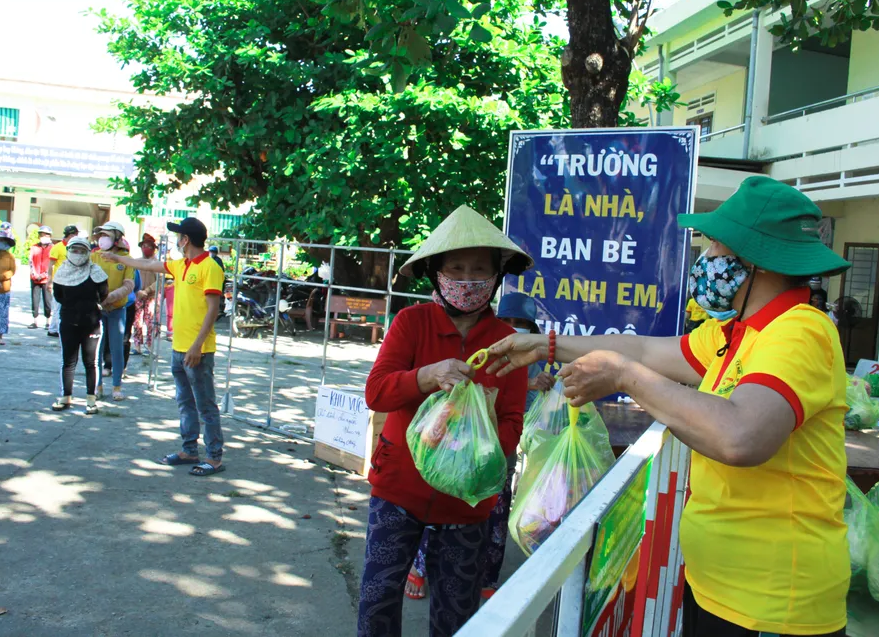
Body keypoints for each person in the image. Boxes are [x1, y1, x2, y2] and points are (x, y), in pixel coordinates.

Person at [490, 176, 852, 637]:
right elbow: (643, 350)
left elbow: (740, 436)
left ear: (753, 259)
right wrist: (548, 344)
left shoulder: (800, 331)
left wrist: (623, 376)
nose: (707, 259)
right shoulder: (736, 333)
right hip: (723, 588)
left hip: (773, 604)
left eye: (716, 246)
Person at [357, 205, 531, 637]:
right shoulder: (410, 323)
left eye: (479, 269)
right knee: (377, 602)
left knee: (458, 614)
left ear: (496, 277)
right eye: (457, 267)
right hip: (398, 490)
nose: (468, 279)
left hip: (469, 504)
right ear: (437, 272)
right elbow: (376, 392)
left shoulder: (509, 343)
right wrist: (426, 376)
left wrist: (478, 446)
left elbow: (512, 424)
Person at [404, 290, 553, 603]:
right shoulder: (486, 349)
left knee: (495, 516)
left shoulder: (532, 359)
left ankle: (487, 578)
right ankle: (419, 567)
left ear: (532, 327)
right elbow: (472, 391)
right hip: (457, 447)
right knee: (439, 510)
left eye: (521, 322)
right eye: (508, 320)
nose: (514, 327)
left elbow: (517, 412)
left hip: (499, 451)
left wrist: (540, 386)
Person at [99, 217, 225, 477]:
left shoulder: (210, 267)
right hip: (178, 347)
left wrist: (197, 346)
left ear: (186, 239)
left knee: (205, 405)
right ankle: (189, 450)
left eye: (179, 236)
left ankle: (214, 458)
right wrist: (120, 259)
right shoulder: (181, 265)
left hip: (196, 350)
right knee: (184, 402)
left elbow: (213, 309)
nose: (178, 240)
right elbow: (148, 264)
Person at [52, 237, 108, 415]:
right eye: (74, 250)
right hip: (68, 321)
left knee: (90, 362)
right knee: (68, 361)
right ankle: (65, 396)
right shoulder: (61, 272)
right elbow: (58, 295)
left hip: (91, 323)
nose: (77, 254)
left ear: (88, 252)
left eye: (82, 250)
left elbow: (103, 293)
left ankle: (91, 399)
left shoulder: (96, 271)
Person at [90, 221, 136, 402]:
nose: (103, 239)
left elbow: (129, 284)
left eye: (107, 235)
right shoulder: (95, 256)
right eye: (101, 235)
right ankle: (97, 385)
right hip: (97, 309)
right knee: (96, 350)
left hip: (117, 309)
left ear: (117, 237)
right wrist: (97, 298)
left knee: (117, 349)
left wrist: (112, 297)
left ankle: (117, 386)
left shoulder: (126, 258)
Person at [47, 225, 79, 338]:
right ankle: (54, 329)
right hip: (59, 282)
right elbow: (51, 265)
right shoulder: (57, 247)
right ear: (70, 235)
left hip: (71, 282)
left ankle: (61, 328)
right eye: (75, 235)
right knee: (57, 306)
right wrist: (49, 281)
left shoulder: (75, 248)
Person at [132, 234, 160, 355]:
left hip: (151, 297)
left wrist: (147, 290)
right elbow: (131, 278)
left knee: (151, 323)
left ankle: (150, 346)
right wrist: (136, 290)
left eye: (149, 246)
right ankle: (137, 345)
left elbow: (159, 281)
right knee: (136, 321)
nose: (146, 248)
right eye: (144, 246)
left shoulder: (157, 263)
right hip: (138, 296)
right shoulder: (136, 262)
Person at [29, 225, 54, 330]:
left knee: (47, 301)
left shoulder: (52, 248)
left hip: (46, 279)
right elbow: (30, 261)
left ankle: (48, 322)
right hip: (35, 278)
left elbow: (52, 263)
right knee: (35, 300)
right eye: (42, 234)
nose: (44, 236)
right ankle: (35, 321)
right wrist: (34, 273)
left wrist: (44, 274)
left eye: (47, 234)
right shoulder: (34, 247)